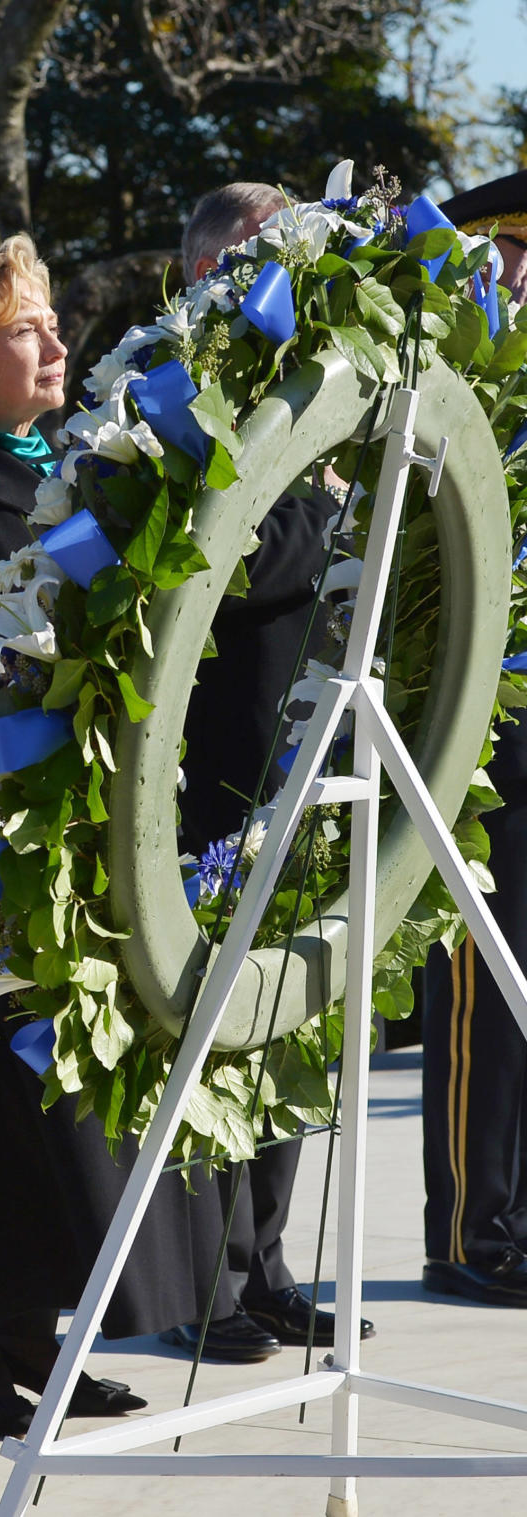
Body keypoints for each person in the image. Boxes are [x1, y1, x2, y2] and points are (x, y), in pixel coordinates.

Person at [0, 235, 244, 1435]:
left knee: (65, 1094)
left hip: (94, 818)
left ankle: (47, 1338)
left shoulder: (82, 462)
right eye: (24, 329)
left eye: (50, 324)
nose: (55, 346)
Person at [169, 181, 376, 1357]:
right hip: (219, 750)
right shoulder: (183, 392)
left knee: (291, 1014)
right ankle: (209, 1278)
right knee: (214, 1011)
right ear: (208, 271)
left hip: (312, 743)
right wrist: (341, 521)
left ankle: (269, 1262)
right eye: (264, 254)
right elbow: (224, 555)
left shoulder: (310, 380)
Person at [420, 170, 527, 1305]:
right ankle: (467, 1231)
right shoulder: (455, 385)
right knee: (480, 1002)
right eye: (508, 252)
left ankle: (520, 1216)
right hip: (481, 729)